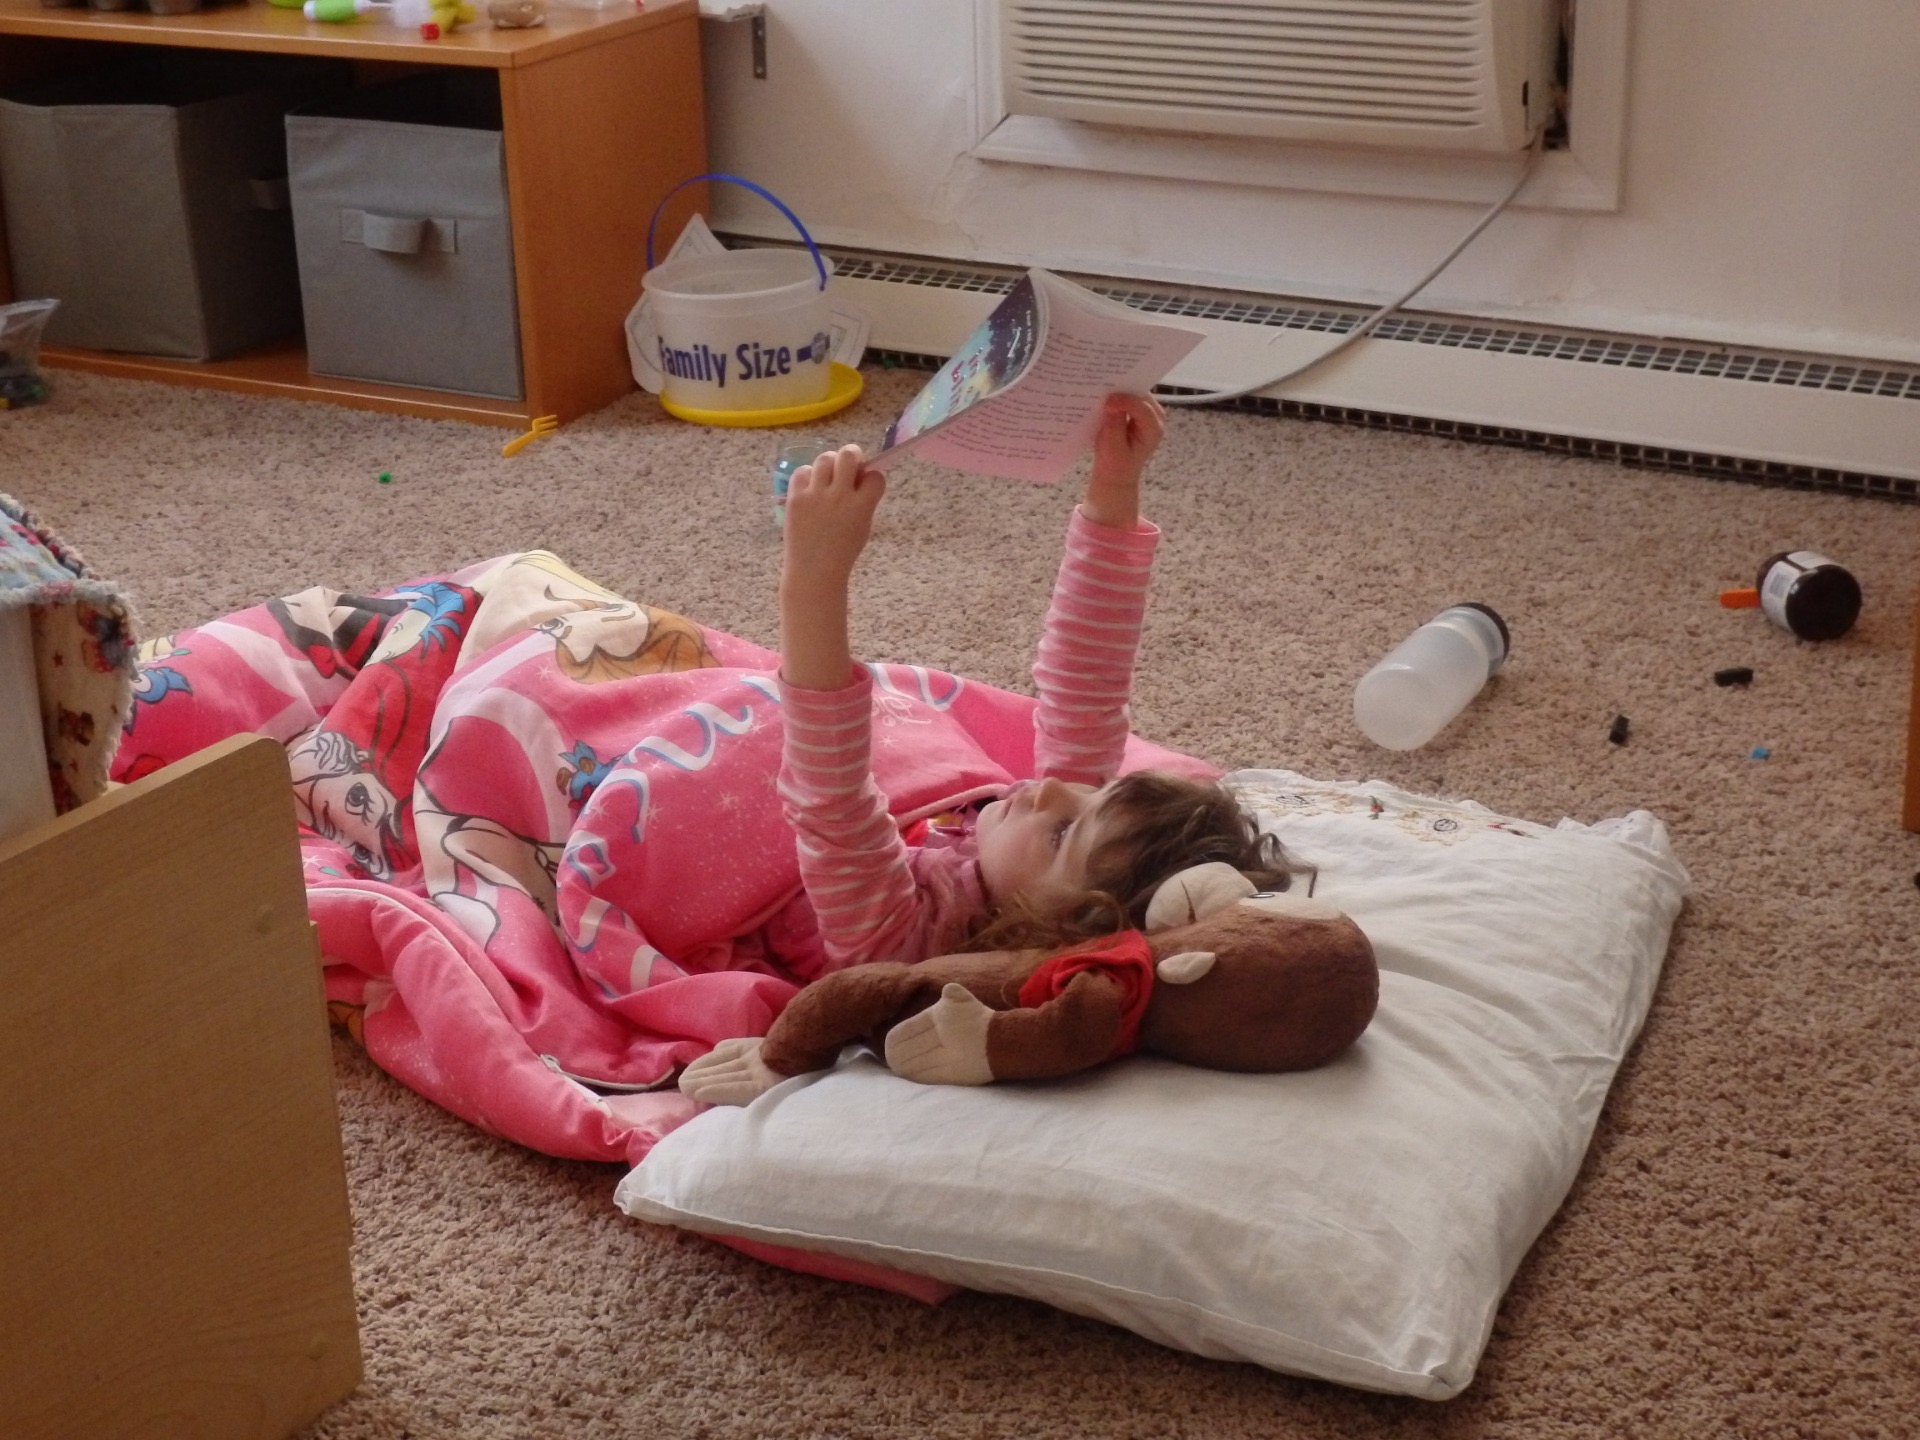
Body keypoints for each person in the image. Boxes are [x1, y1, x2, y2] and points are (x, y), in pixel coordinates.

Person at [771, 392, 1302, 980]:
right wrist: (1115, 485)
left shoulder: (906, 943)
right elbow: (1088, 684)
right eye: (1097, 795)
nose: (1053, 789)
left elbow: (831, 797)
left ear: (1045, 932)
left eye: (1062, 833)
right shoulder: (1059, 860)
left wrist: (814, 571)